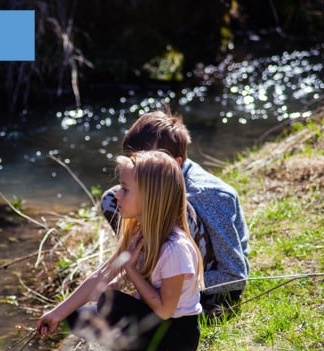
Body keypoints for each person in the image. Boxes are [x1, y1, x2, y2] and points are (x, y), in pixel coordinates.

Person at [36, 150, 203, 351]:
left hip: (178, 335)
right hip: (153, 321)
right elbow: (102, 276)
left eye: (125, 189)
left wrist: (130, 269)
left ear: (150, 197)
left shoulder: (174, 249)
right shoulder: (139, 232)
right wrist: (57, 313)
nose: (116, 195)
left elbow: (164, 310)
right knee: (76, 317)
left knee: (110, 300)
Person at [100, 110, 250, 316]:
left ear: (176, 162)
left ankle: (160, 289)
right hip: (164, 279)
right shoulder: (147, 186)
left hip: (211, 292)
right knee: (112, 198)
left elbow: (235, 275)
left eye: (147, 163)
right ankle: (147, 274)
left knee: (178, 208)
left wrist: (175, 285)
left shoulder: (208, 195)